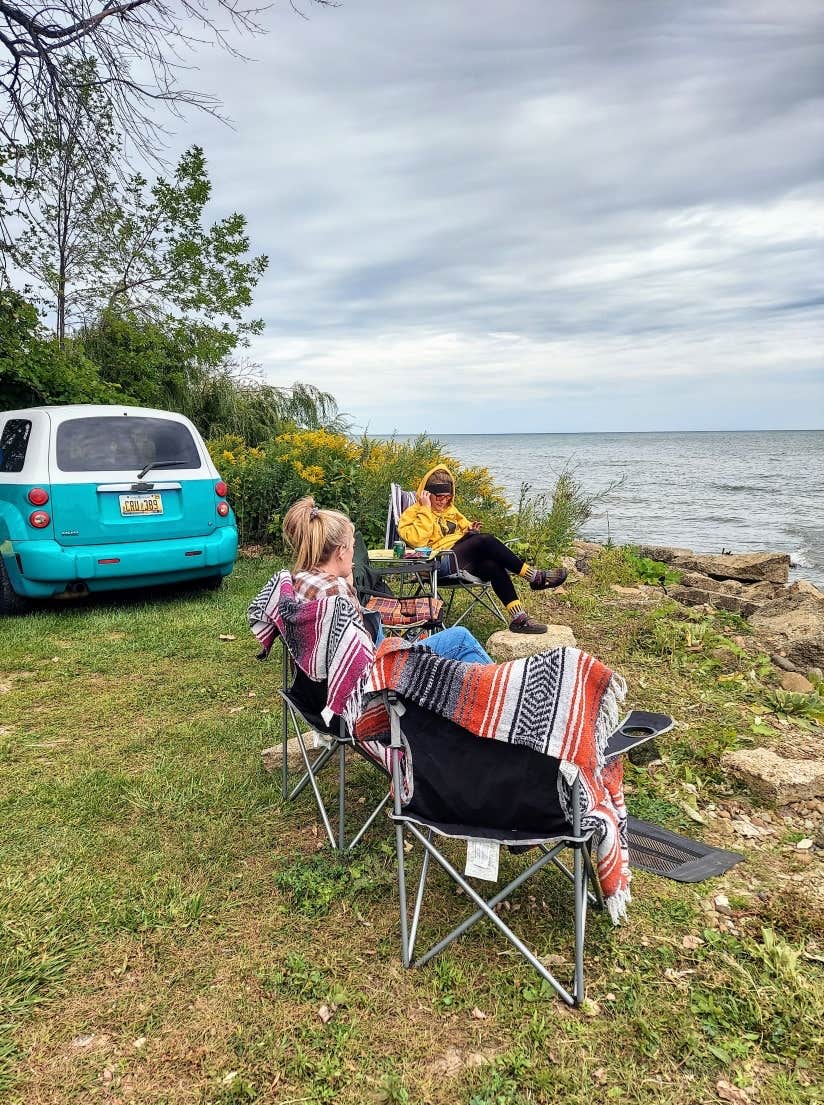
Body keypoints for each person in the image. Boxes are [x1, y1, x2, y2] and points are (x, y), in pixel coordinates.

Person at [282, 497, 493, 664]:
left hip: (319, 689)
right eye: (353, 546)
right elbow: (364, 663)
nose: (354, 552)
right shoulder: (337, 595)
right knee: (460, 639)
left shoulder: (300, 580)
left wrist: (346, 578)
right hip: (382, 675)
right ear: (341, 551)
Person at [398, 465, 567, 634]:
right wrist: (426, 509)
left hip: (459, 561)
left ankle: (519, 619)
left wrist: (469, 530)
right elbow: (418, 540)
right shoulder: (412, 514)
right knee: (485, 540)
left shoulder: (451, 511)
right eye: (439, 497)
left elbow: (461, 531)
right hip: (436, 563)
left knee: (491, 564)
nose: (444, 501)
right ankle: (535, 577)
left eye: (448, 497)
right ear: (426, 494)